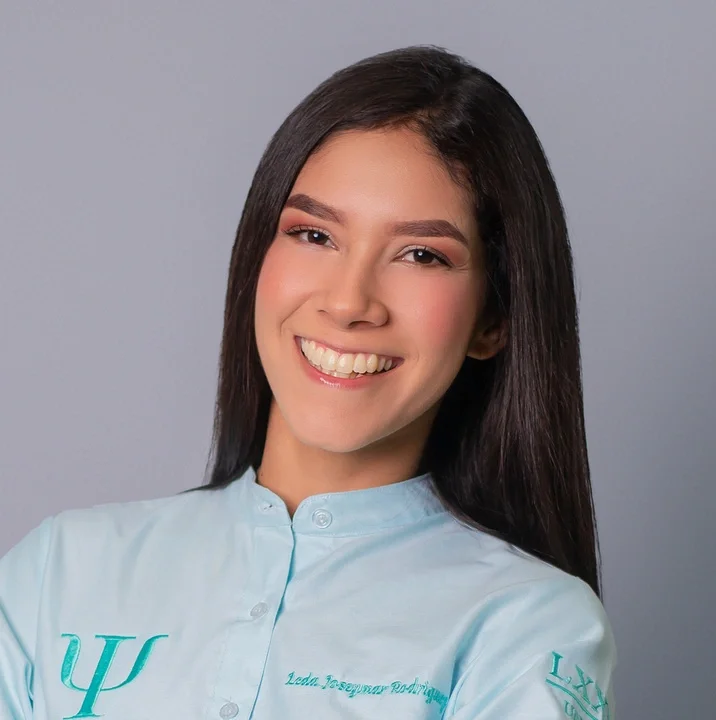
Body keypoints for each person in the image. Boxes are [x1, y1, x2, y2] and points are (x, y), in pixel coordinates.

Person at [0, 45, 616, 719]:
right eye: (315, 235)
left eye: (420, 255)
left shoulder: (528, 629)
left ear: (493, 320)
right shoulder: (58, 573)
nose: (349, 303)